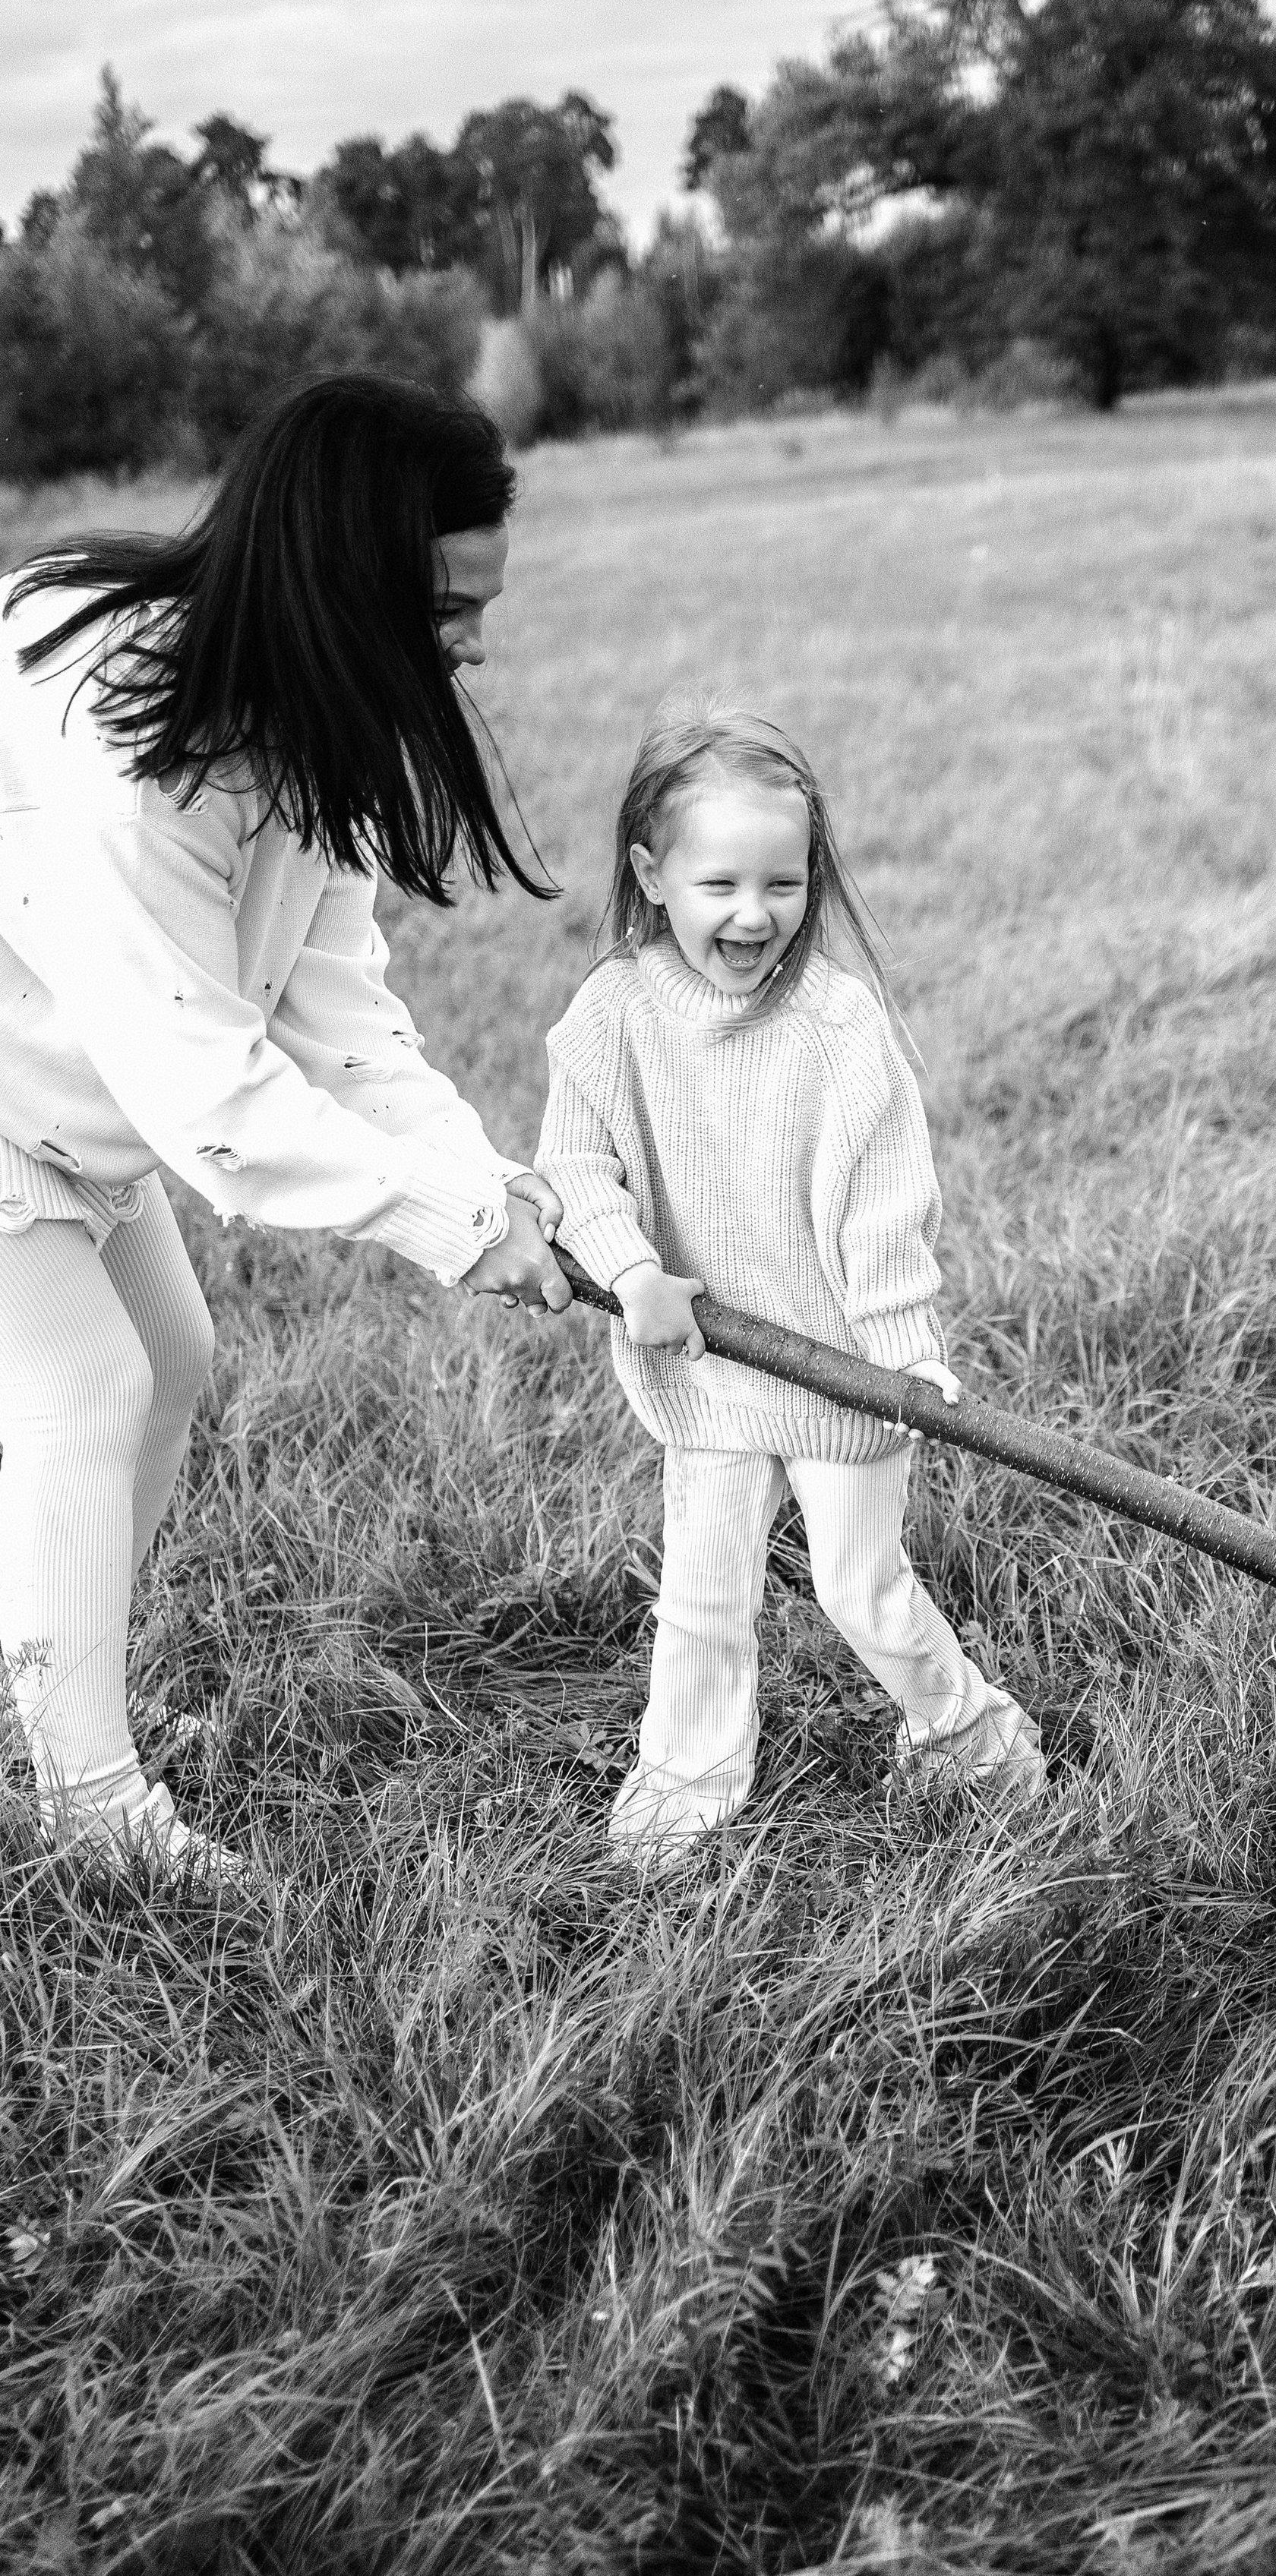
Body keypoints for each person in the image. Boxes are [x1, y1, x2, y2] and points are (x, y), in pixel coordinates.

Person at [0, 371, 570, 1883]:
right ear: (343, 579)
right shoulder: (119, 735)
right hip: (26, 1094)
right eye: (446, 609)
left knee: (170, 1363)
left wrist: (493, 1185)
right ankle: (87, 1803)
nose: (473, 644)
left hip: (67, 1091)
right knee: (85, 1390)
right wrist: (458, 1232)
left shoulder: (312, 725)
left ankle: (57, 1701)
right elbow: (213, 1100)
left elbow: (340, 1017)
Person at [538, 693, 1044, 1865]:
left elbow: (884, 1208)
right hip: (707, 1368)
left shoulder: (837, 1025)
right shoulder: (614, 1014)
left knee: (861, 1592)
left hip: (841, 1373)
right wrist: (631, 1269)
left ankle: (972, 1737)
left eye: (785, 881)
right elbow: (573, 1164)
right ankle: (688, 1776)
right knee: (703, 1596)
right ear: (651, 875)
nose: (755, 913)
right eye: (719, 883)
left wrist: (904, 1354)